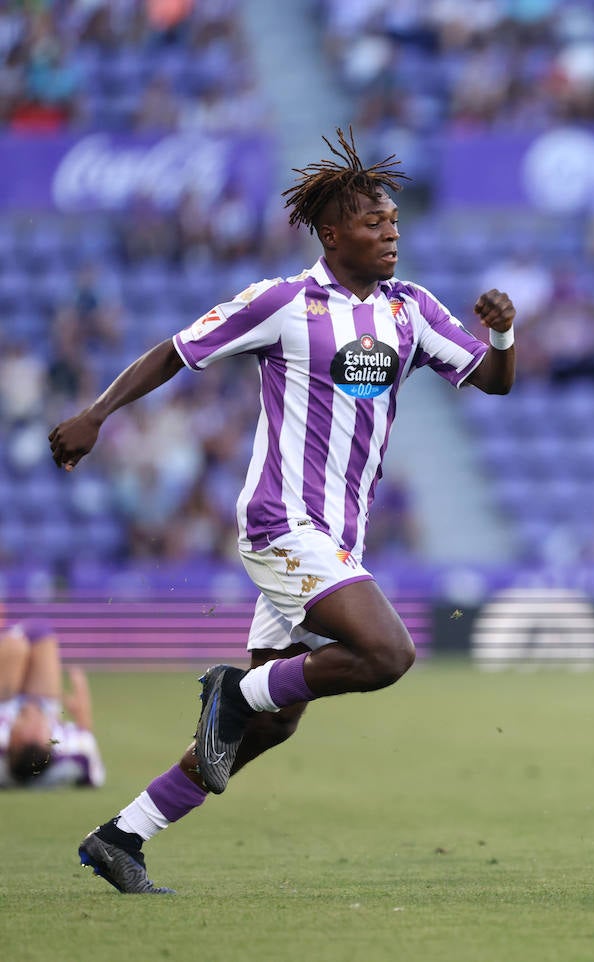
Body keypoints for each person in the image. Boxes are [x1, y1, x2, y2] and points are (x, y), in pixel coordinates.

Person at [48, 129, 517, 894]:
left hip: (339, 537)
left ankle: (123, 833)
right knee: (386, 654)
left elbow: (491, 381)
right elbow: (176, 348)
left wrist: (502, 333)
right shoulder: (284, 304)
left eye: (395, 222)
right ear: (332, 234)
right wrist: (98, 414)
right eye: (374, 224)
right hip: (282, 524)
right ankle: (229, 689)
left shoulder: (411, 310)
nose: (391, 234)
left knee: (270, 720)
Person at [0, 620, 104, 790]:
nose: (34, 719)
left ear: (13, 742)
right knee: (41, 634)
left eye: (25, 726)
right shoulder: (69, 750)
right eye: (41, 731)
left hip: (4, 703)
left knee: (16, 648)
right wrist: (82, 714)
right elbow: (93, 768)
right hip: (45, 704)